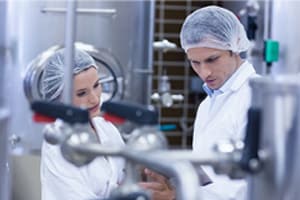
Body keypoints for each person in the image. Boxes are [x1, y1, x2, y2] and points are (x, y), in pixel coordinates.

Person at [140, 5, 258, 200]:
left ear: (235, 47)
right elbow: (209, 178)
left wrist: (179, 195)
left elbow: (249, 186)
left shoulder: (254, 98)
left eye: (212, 59)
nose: (204, 73)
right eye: (195, 62)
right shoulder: (207, 104)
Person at [39, 48, 126, 200]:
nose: (94, 99)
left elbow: (126, 178)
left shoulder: (106, 128)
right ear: (60, 98)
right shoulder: (58, 144)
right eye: (82, 93)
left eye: (96, 85)